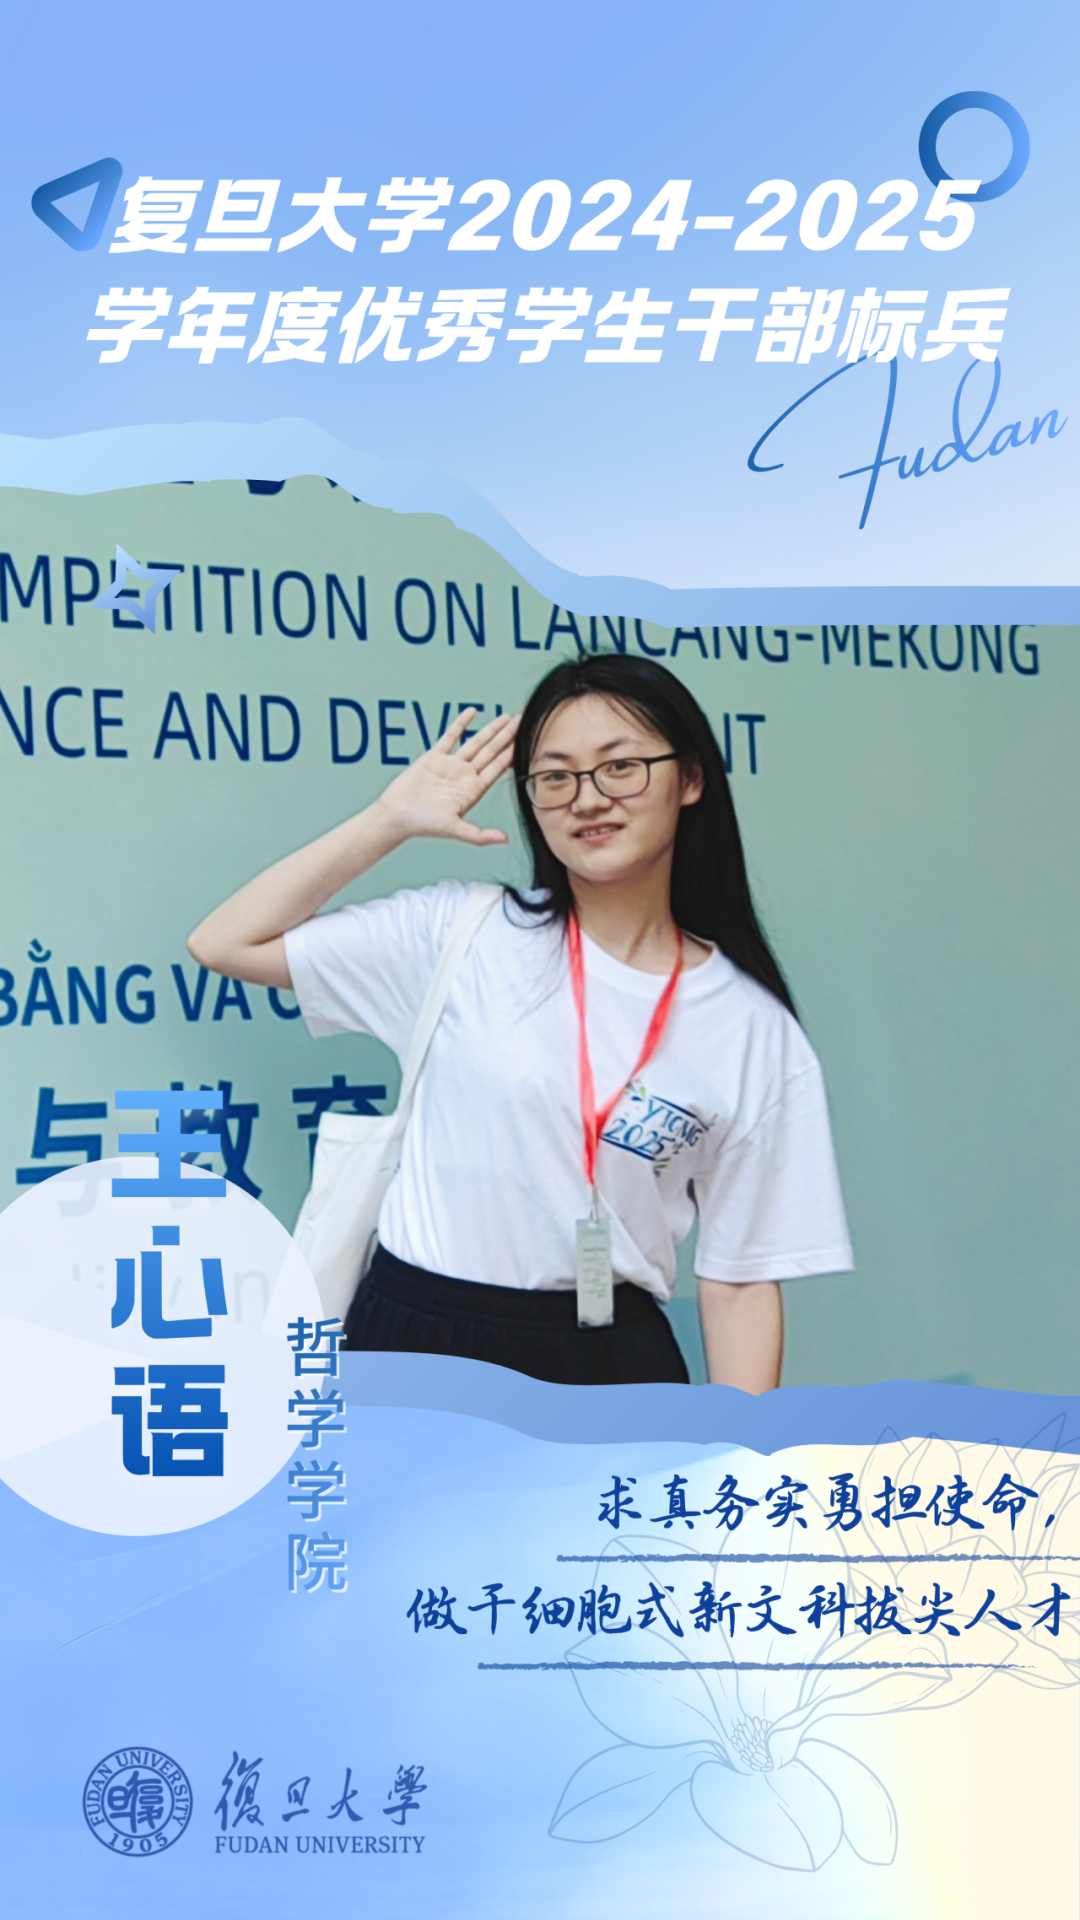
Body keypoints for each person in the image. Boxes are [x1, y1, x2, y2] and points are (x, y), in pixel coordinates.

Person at [188, 653, 852, 1390]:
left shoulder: (751, 1026)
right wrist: (390, 821)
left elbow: (741, 1281)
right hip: (417, 1339)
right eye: (556, 777)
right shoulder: (460, 933)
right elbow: (225, 942)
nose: (588, 799)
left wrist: (737, 1447)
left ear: (691, 779)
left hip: (609, 1361)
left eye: (620, 768)